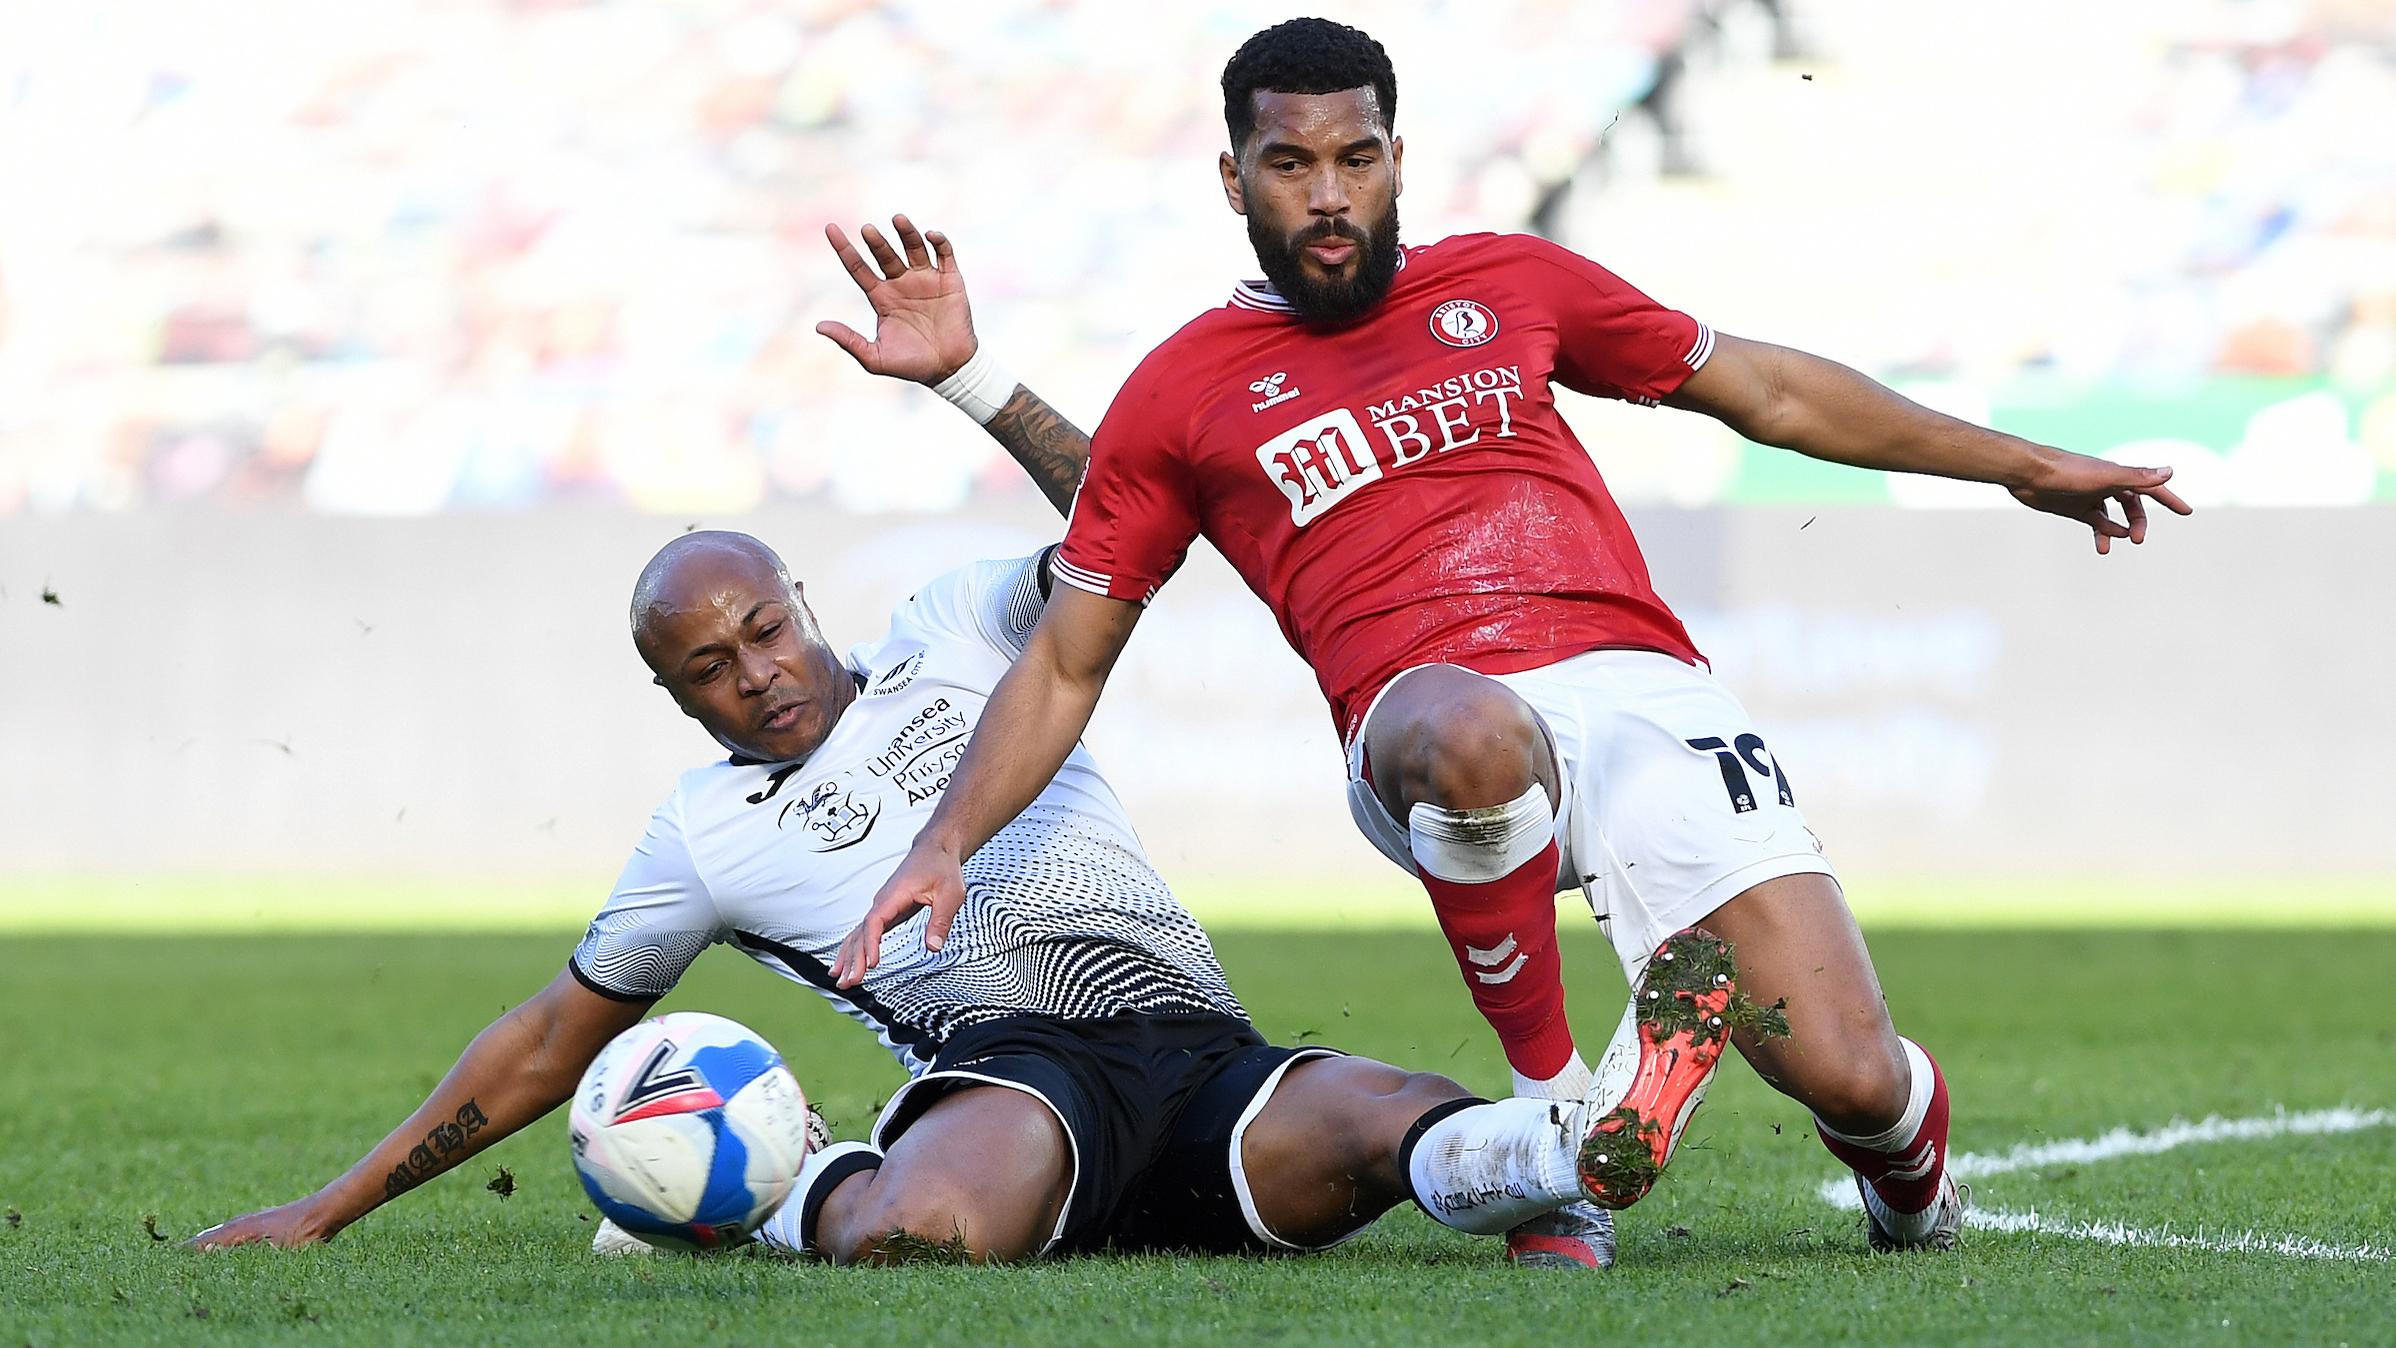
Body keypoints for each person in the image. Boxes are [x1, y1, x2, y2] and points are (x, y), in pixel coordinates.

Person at [835, 17, 2196, 1264]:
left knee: (1845, 1067)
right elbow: (1070, 656)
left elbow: (1767, 390)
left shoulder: (1513, 281)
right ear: (1234, 178)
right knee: (1470, 728)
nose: (1327, 195)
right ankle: (1559, 1135)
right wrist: (944, 844)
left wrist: (2020, 462)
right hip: (1423, 723)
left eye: (1356, 158)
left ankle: (1907, 1170)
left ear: (1397, 157)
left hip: (1645, 696)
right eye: (1290, 162)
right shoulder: (1183, 391)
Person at [184, 396, 1703, 1265]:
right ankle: (770, 1188)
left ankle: (1575, 1149)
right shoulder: (704, 837)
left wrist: (974, 384)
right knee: (920, 1245)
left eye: (764, 631)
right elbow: (544, 1039)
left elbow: (1127, 507)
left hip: (1193, 1053)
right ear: (676, 695)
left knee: (1400, 1124)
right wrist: (328, 1210)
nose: (757, 676)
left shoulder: (958, 626)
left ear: (802, 600)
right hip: (1014, 1077)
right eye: (708, 670)